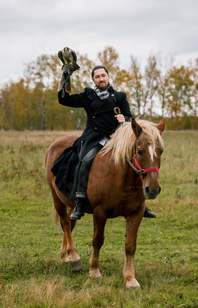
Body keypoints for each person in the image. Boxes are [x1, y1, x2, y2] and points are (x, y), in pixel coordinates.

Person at [57, 65, 157, 220]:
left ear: (108, 76)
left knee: (135, 162)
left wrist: (125, 119)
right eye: (97, 77)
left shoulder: (119, 97)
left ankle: (140, 203)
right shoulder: (87, 96)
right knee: (85, 161)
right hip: (94, 138)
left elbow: (131, 119)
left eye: (103, 75)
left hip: (116, 138)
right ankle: (80, 201)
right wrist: (66, 76)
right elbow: (64, 99)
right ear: (93, 80)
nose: (101, 79)